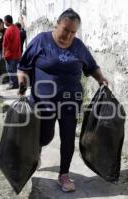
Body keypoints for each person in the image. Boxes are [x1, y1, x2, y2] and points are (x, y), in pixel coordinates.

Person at [17, 8, 108, 192]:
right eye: (65, 30)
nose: (68, 35)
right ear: (56, 25)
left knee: (68, 138)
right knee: (45, 135)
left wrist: (101, 79)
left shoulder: (79, 47)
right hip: (43, 101)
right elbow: (23, 66)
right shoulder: (41, 41)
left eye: (73, 32)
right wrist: (22, 84)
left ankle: (64, 174)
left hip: (70, 101)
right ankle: (37, 152)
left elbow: (91, 66)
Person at [2, 15, 21, 90]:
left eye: (4, 21)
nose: (4, 22)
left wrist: (3, 54)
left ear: (6, 21)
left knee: (10, 70)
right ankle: (16, 83)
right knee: (16, 70)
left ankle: (13, 84)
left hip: (10, 54)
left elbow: (4, 44)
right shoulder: (16, 28)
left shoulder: (8, 30)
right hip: (17, 54)